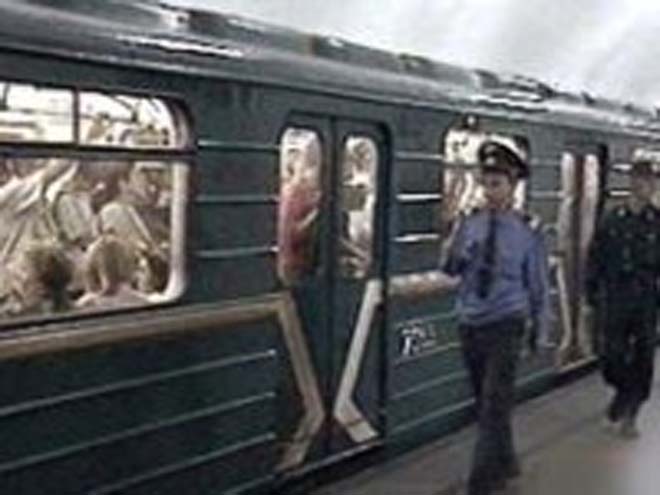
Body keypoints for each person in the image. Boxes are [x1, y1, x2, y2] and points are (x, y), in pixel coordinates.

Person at [442, 141, 550, 495]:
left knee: (493, 404)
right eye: (485, 183)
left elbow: (537, 283)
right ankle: (507, 463)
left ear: (513, 186)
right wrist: (457, 241)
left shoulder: (528, 230)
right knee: (487, 404)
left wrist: (540, 330)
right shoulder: (469, 222)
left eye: (497, 184)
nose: (489, 192)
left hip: (507, 322)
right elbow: (449, 269)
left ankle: (481, 484)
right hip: (471, 322)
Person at [586, 158, 660, 438]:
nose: (647, 186)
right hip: (616, 295)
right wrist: (591, 293)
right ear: (632, 182)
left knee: (643, 357)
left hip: (647, 298)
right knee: (610, 356)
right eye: (642, 179)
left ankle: (630, 414)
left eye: (651, 181)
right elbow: (595, 256)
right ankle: (625, 394)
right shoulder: (611, 219)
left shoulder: (658, 222)